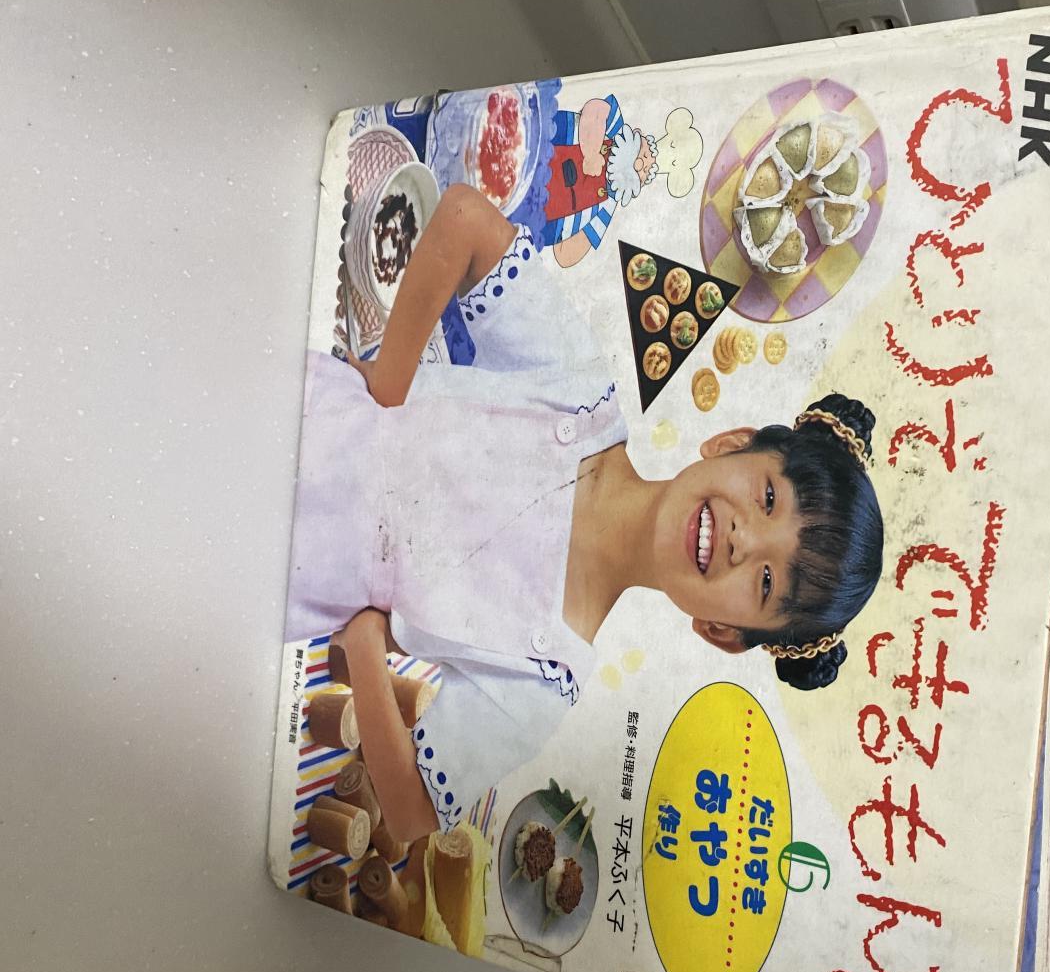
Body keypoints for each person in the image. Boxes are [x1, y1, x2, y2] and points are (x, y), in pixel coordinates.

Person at [286, 183, 884, 845]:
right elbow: (463, 219)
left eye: (766, 582)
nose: (745, 541)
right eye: (769, 498)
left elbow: (410, 812)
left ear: (720, 631)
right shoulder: (579, 389)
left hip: (274, 582)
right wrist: (389, 386)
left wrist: (365, 647)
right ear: (731, 443)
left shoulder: (546, 681)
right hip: (289, 402)